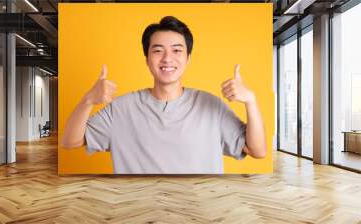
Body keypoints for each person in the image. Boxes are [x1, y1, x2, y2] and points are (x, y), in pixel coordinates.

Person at [62, 16, 267, 174]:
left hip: (199, 210)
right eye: (158, 50)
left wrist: (251, 101)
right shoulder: (122, 108)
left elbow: (257, 150)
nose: (167, 58)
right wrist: (88, 99)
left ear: (188, 58)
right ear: (147, 59)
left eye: (177, 51)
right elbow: (70, 142)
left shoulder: (210, 105)